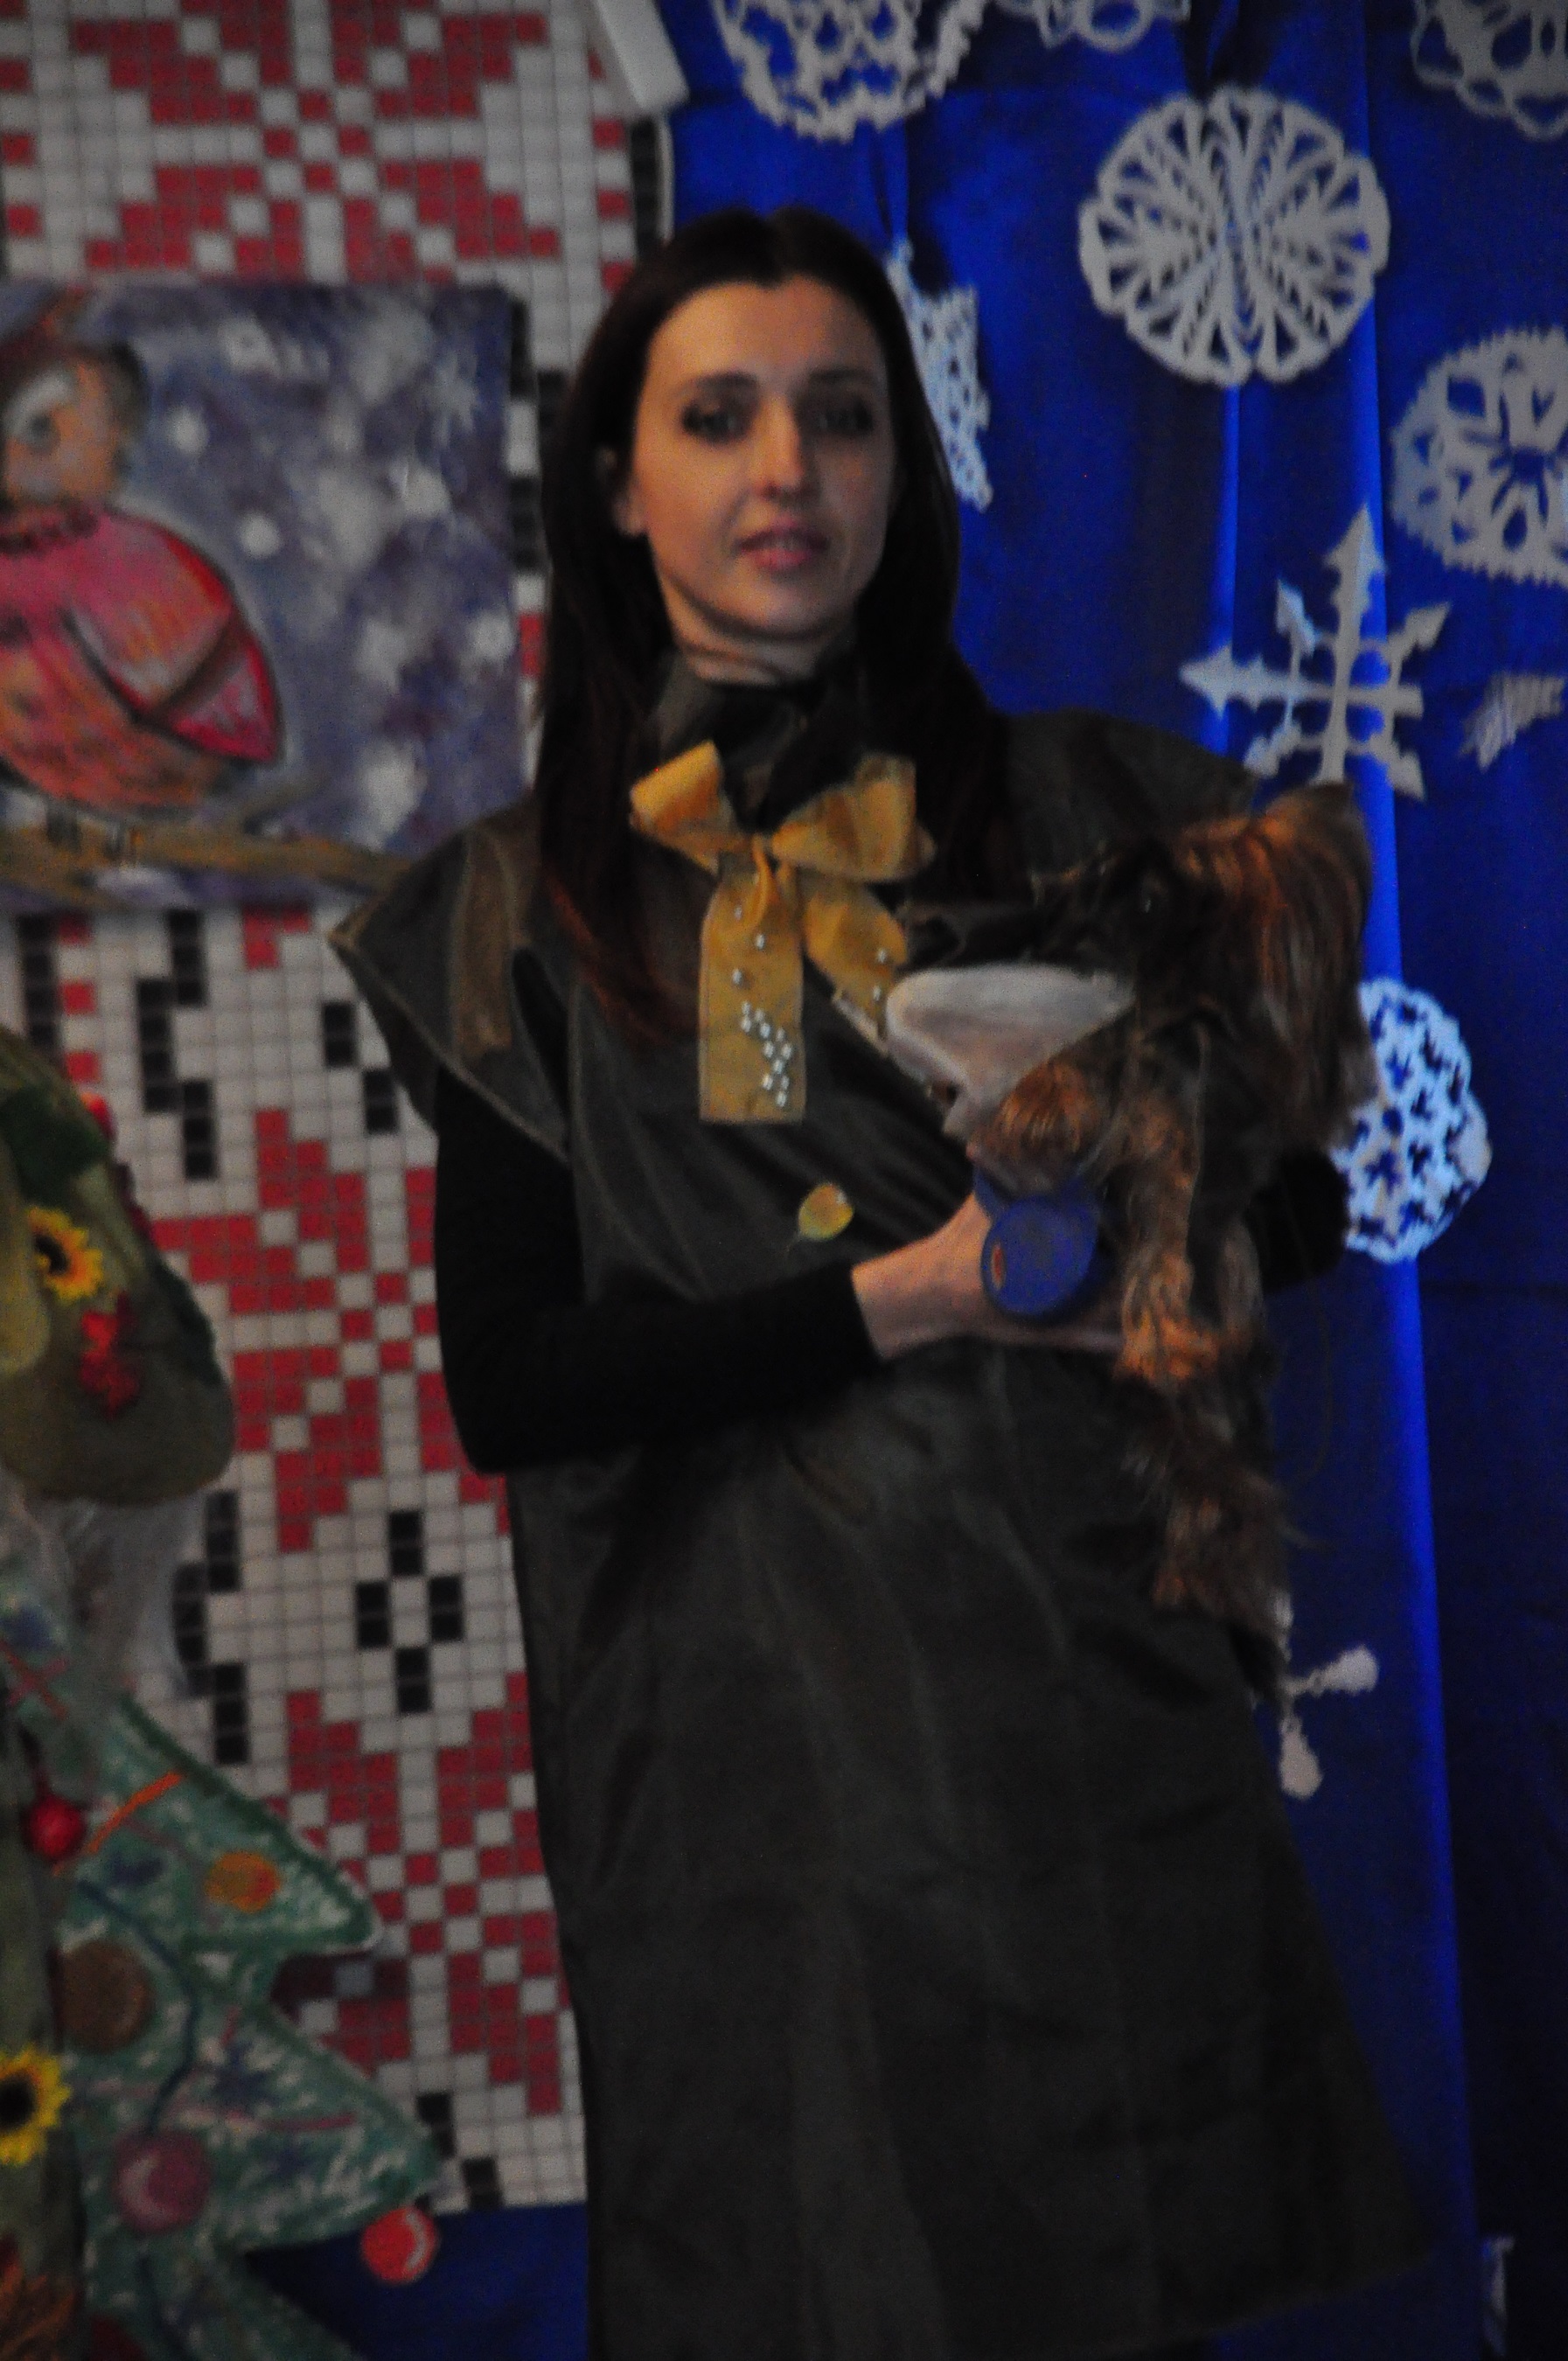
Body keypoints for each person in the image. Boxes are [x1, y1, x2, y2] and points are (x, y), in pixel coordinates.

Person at [334, 205, 1426, 2361]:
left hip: (1081, 1719)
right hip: (751, 1761)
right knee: (816, 2278)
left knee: (1108, 2281)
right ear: (616, 483)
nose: (786, 472)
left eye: (841, 417)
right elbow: (519, 1384)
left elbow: (1300, 1200)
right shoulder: (521, 911)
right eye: (718, 417)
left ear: (901, 470)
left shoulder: (1095, 811)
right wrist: (907, 1299)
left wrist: (1160, 1246)